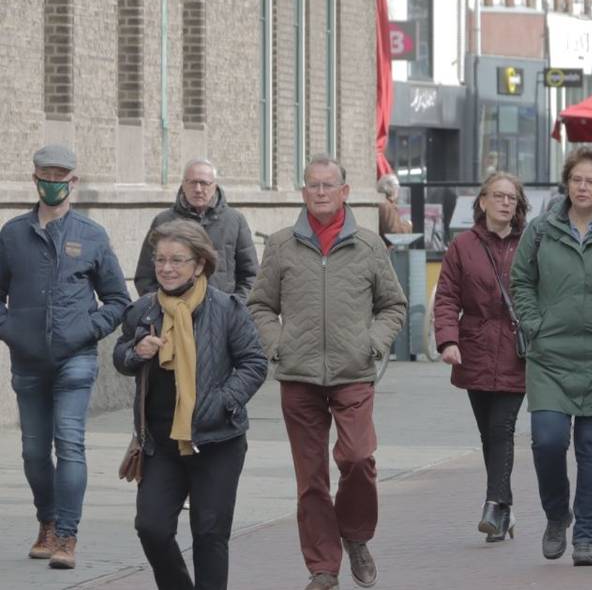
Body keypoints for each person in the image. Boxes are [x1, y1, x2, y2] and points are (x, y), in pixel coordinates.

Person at [248, 155, 408, 590]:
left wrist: (372, 343)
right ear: (303, 193)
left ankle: (355, 535)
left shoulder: (370, 246)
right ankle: (322, 566)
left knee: (358, 459)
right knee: (311, 477)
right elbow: (260, 304)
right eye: (312, 185)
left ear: (344, 192)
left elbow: (393, 305)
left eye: (328, 185)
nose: (320, 192)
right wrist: (276, 343)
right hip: (298, 376)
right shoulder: (281, 245)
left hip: (352, 372)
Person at [114, 220, 267, 590]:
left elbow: (254, 363)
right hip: (161, 444)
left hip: (217, 441)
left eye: (177, 260)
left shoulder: (227, 309)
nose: (166, 268)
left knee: (209, 534)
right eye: (160, 259)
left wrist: (222, 401)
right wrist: (136, 351)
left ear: (199, 264)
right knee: (151, 529)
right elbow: (120, 358)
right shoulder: (144, 311)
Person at [0, 144, 130, 570]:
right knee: (34, 452)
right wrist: (12, 331)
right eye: (46, 175)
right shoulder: (13, 233)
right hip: (28, 361)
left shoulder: (91, 235)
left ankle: (68, 536)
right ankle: (47, 522)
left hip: (76, 359)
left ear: (73, 182)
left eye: (62, 176)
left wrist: (85, 331)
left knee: (69, 444)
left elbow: (116, 300)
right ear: (34, 177)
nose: (53, 183)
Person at [509, 146, 592, 566]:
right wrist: (534, 323)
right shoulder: (542, 229)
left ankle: (586, 533)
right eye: (576, 179)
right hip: (550, 355)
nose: (582, 187)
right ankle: (556, 514)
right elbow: (521, 280)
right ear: (567, 184)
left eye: (591, 181)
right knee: (547, 440)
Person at [433, 172, 529, 543]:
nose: (506, 203)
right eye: (499, 196)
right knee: (488, 433)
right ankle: (505, 511)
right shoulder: (463, 245)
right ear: (483, 201)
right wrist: (447, 341)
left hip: (517, 349)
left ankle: (494, 503)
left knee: (502, 428)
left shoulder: (530, 243)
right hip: (474, 347)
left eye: (513, 198)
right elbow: (446, 297)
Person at [134, 159, 258, 301]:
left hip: (223, 316)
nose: (198, 189)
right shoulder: (163, 221)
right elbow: (145, 277)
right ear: (183, 184)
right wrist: (163, 307)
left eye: (204, 183)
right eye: (192, 183)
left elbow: (251, 276)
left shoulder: (234, 220)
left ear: (215, 186)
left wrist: (234, 307)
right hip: (171, 315)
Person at [376, 173, 413, 244]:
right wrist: (408, 225)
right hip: (386, 249)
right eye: (397, 186)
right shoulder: (387, 206)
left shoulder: (382, 203)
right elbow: (394, 233)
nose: (398, 190)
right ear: (392, 188)